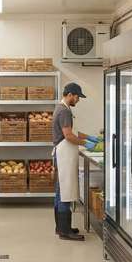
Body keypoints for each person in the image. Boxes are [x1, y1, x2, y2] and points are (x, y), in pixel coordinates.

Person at [52, 82, 98, 241]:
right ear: (70, 94)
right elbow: (69, 136)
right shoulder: (64, 111)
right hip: (64, 155)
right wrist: (86, 144)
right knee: (66, 191)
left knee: (61, 191)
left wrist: (89, 137)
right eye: (78, 97)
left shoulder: (63, 108)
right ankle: (65, 232)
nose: (78, 100)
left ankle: (61, 228)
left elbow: (73, 131)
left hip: (62, 154)